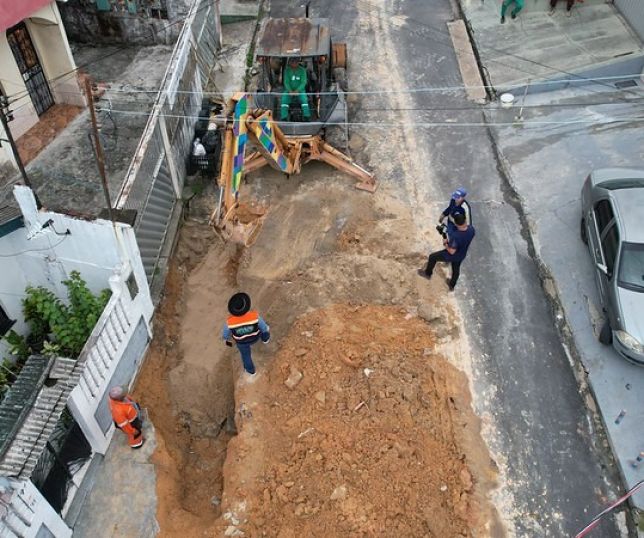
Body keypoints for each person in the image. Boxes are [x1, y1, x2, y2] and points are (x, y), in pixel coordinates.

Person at [419, 212, 475, 291]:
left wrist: (445, 242)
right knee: (456, 270)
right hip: (462, 254)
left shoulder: (456, 237)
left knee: (432, 257)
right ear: (465, 220)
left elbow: (452, 251)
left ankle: (427, 273)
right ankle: (451, 285)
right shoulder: (471, 229)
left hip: (452, 255)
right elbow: (463, 236)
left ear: (456, 223)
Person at [222, 292, 270, 377]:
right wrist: (266, 331)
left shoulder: (229, 322)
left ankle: (251, 371)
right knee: (264, 331)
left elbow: (225, 334)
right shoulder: (255, 316)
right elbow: (264, 327)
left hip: (242, 343)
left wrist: (226, 339)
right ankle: (265, 340)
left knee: (245, 356)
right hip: (256, 337)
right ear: (246, 307)